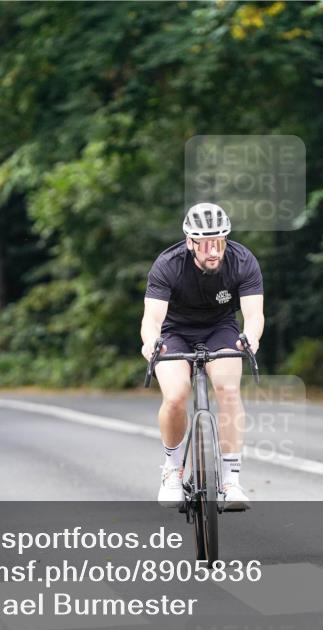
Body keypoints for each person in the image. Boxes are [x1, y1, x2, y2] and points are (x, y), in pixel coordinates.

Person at [140, 202, 264, 510]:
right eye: (206, 244)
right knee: (176, 396)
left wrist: (251, 337)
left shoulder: (242, 261)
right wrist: (150, 342)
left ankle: (230, 480)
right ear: (190, 242)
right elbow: (152, 319)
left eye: (219, 242)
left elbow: (254, 315)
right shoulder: (168, 264)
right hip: (175, 332)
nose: (213, 251)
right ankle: (172, 469)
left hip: (220, 329)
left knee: (229, 390)